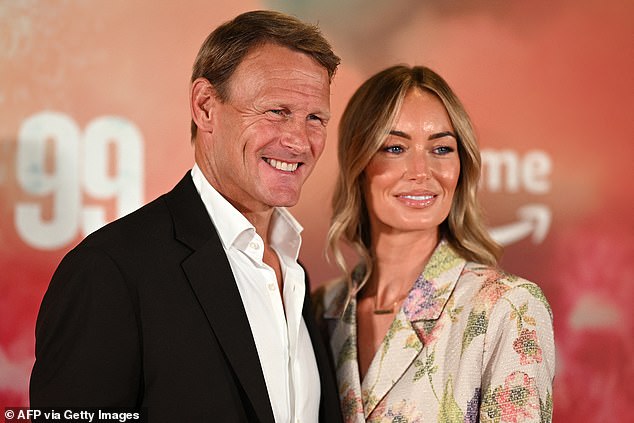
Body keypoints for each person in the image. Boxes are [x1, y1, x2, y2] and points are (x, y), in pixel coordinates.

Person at [30, 10, 342, 423]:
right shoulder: (111, 271)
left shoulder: (294, 270)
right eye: (276, 111)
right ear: (205, 107)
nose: (299, 140)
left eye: (315, 118)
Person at [315, 65, 554, 422]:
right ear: (357, 163)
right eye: (395, 147)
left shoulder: (507, 308)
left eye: (441, 149)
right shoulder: (322, 308)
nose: (422, 172)